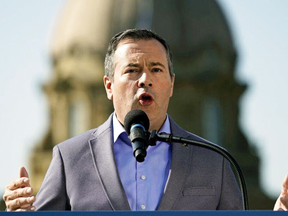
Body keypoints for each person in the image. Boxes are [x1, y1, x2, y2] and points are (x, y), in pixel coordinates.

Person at [3, 29, 288, 211]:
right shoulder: (69, 158)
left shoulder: (215, 160)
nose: (145, 80)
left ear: (172, 84)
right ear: (109, 85)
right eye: (132, 70)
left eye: (156, 69)